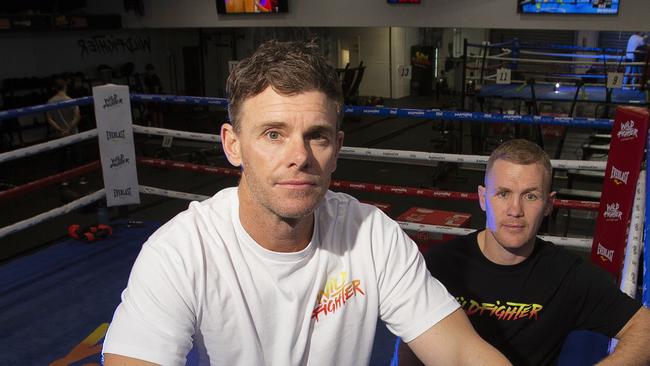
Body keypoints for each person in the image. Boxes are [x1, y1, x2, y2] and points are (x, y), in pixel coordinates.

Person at [102, 40, 511, 365]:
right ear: (233, 145)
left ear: (336, 147)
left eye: (316, 135)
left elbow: (460, 353)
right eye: (273, 134)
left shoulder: (372, 236)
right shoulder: (180, 252)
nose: (299, 156)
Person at [402, 139, 650, 366]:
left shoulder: (567, 276)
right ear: (482, 198)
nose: (515, 210)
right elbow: (409, 347)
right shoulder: (441, 264)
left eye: (530, 196)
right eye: (503, 193)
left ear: (548, 205)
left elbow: (645, 329)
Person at [142, 63, 164, 128]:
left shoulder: (155, 78)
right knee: (153, 113)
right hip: (151, 97)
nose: (149, 72)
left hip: (157, 97)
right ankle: (156, 130)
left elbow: (156, 89)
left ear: (152, 70)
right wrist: (147, 99)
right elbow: (147, 89)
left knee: (159, 113)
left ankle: (161, 129)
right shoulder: (146, 78)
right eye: (148, 70)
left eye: (150, 70)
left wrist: (156, 99)